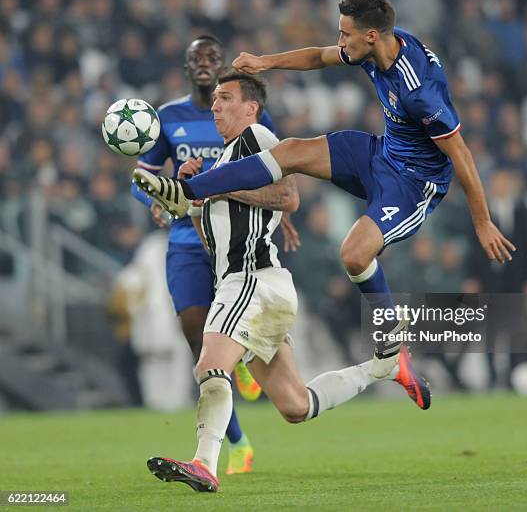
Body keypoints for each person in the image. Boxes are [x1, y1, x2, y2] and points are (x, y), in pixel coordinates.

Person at [133, 0, 515, 383]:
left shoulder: (421, 92)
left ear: (370, 36)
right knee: (291, 150)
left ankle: (390, 335)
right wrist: (265, 62)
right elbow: (319, 56)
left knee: (353, 254)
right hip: (380, 154)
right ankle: (191, 189)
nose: (340, 42)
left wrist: (482, 222)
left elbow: (462, 155)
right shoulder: (376, 43)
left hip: (414, 184)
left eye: (345, 34)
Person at [144, 71, 428, 493]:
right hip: (252, 286)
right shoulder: (222, 164)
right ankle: (383, 366)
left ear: (251, 107)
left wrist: (215, 190)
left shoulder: (256, 139)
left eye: (225, 98)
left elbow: (288, 196)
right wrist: (194, 203)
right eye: (215, 99)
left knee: (209, 364)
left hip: (252, 280)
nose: (216, 106)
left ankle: (205, 463)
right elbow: (214, 244)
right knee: (296, 406)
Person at [131, 34, 299, 474]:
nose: (204, 63)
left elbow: (276, 171)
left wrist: (288, 218)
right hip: (188, 239)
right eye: (196, 58)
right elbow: (142, 176)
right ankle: (239, 441)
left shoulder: (249, 114)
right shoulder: (168, 117)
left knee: (218, 339)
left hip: (234, 239)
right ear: (186, 68)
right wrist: (153, 199)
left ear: (224, 66)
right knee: (195, 332)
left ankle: (238, 367)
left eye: (212, 57)